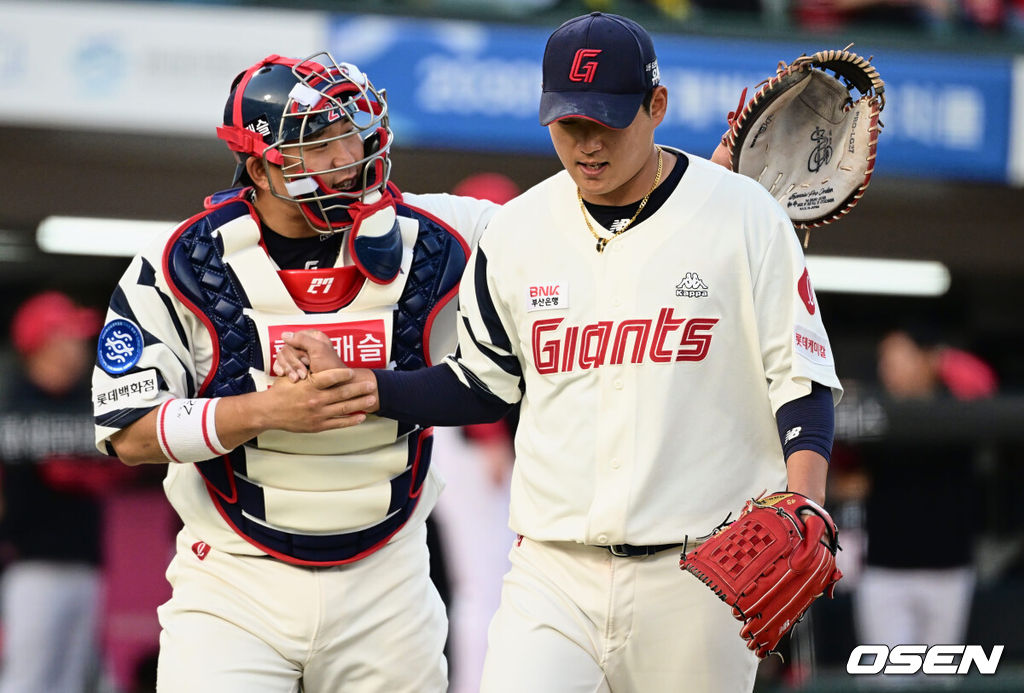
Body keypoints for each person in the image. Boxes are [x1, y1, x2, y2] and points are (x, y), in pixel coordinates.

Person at [279, 12, 844, 692]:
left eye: (604, 120)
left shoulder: (746, 215)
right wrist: (373, 387)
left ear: (655, 106)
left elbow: (801, 377)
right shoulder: (518, 230)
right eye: (567, 122)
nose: (584, 143)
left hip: (698, 574)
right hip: (552, 576)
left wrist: (805, 499)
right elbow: (485, 383)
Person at [91, 52, 499, 692]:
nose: (351, 153)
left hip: (388, 577)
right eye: (322, 141)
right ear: (260, 165)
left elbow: (566, 235)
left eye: (353, 131)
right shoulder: (180, 263)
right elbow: (128, 429)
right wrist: (266, 411)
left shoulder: (446, 232)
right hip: (233, 581)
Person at [851, 327, 996, 682]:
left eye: (899, 357)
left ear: (925, 359)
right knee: (886, 680)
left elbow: (983, 385)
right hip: (886, 571)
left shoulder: (957, 407)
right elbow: (846, 473)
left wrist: (940, 358)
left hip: (948, 569)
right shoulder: (874, 412)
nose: (889, 368)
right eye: (884, 360)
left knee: (941, 680)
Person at [0, 291, 115, 693]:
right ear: (39, 344)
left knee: (72, 682)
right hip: (31, 567)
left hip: (86, 564)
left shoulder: (92, 402)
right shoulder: (11, 403)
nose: (78, 348)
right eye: (66, 337)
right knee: (27, 680)